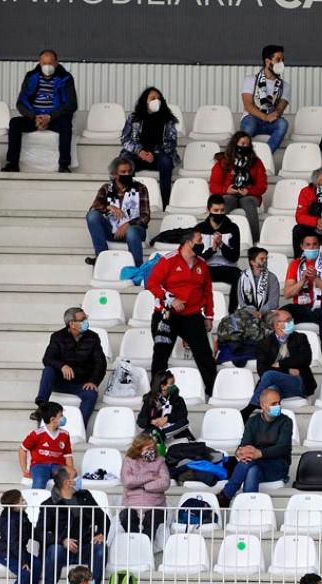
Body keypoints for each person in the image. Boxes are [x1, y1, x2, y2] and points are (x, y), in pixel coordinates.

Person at [147, 231, 217, 394]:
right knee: (161, 355)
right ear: (188, 242)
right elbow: (152, 284)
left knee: (204, 355)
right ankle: (156, 393)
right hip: (166, 315)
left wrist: (209, 315)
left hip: (192, 316)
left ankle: (213, 391)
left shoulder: (201, 264)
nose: (202, 244)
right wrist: (171, 300)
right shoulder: (168, 260)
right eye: (199, 240)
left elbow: (208, 291)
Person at [2, 49, 76, 173]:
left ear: (56, 63)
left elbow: (71, 104)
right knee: (15, 123)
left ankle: (64, 165)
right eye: (44, 63)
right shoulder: (31, 77)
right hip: (34, 117)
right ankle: (12, 164)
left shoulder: (66, 78)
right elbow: (21, 102)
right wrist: (34, 117)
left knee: (66, 124)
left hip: (55, 118)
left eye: (50, 63)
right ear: (39, 63)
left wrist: (50, 116)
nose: (47, 66)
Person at [39, 468, 108, 584]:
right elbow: (39, 532)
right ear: (67, 483)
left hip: (85, 547)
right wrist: (62, 541)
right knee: (55, 550)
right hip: (62, 552)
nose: (78, 479)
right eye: (75, 477)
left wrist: (101, 533)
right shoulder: (48, 505)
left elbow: (104, 519)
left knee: (100, 548)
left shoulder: (85, 497)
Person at [218, 388, 292, 506]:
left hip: (277, 466)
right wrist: (240, 452)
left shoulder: (285, 421)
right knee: (251, 468)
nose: (278, 406)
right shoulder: (253, 421)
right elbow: (244, 444)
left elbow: (283, 447)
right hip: (255, 463)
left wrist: (259, 453)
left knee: (249, 463)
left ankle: (226, 495)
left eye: (279, 403)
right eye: (274, 404)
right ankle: (250, 510)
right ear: (263, 405)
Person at [33, 306, 106, 425]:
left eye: (85, 318)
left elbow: (101, 363)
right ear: (71, 324)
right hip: (60, 381)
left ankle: (79, 426)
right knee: (48, 371)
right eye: (82, 319)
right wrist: (62, 366)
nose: (86, 321)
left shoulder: (93, 337)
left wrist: (93, 381)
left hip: (81, 383)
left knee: (91, 394)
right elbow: (47, 359)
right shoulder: (57, 337)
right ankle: (42, 407)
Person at [282, 232, 322, 361]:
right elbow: (287, 293)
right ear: (301, 246)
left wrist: (316, 279)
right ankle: (284, 354)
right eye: (308, 245)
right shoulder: (295, 264)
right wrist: (303, 281)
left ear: (319, 246)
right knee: (282, 313)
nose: (311, 248)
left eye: (314, 245)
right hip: (301, 308)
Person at [85, 156, 150, 267]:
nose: (127, 174)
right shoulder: (106, 188)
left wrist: (127, 225)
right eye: (123, 172)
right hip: (112, 229)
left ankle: (137, 268)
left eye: (129, 171)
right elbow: (94, 207)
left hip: (134, 230)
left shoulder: (140, 188)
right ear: (115, 174)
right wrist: (110, 207)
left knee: (131, 232)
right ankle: (101, 258)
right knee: (92, 216)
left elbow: (145, 216)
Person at [250, 309, 317, 413]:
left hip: (298, 383)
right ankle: (269, 423)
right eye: (288, 320)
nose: (292, 322)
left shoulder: (300, 338)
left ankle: (249, 408)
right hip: (278, 385)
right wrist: (288, 370)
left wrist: (281, 363)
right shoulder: (264, 343)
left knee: (270, 376)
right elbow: (262, 370)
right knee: (270, 390)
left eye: (291, 319)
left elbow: (305, 360)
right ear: (277, 325)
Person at [121, 87, 179, 204]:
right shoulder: (133, 118)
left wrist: (154, 153)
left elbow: (171, 142)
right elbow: (125, 139)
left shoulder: (168, 119)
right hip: (137, 155)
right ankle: (127, 201)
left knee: (166, 162)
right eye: (152, 98)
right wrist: (139, 151)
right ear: (145, 101)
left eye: (158, 98)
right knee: (124, 163)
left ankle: (165, 203)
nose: (156, 101)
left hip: (159, 156)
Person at [209, 132, 268, 242]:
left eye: (247, 144)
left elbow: (262, 186)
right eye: (242, 143)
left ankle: (255, 240)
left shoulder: (256, 162)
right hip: (229, 194)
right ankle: (216, 237)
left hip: (249, 195)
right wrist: (226, 190)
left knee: (248, 202)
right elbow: (213, 186)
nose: (245, 146)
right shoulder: (223, 161)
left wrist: (249, 191)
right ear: (235, 144)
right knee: (225, 201)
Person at [120, 434, 171, 543]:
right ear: (139, 448)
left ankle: (145, 546)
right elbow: (128, 481)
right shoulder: (128, 461)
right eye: (148, 448)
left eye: (153, 448)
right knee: (126, 517)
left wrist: (144, 486)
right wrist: (150, 477)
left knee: (152, 519)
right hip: (132, 505)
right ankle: (135, 545)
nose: (151, 450)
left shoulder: (160, 461)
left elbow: (165, 482)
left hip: (155, 506)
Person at [0, 490, 41, 584]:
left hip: (19, 552)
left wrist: (52, 537)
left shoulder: (22, 515)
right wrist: (23, 561)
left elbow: (33, 533)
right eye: (21, 500)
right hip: (7, 553)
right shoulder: (9, 520)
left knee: (37, 563)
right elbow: (14, 543)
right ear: (15, 504)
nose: (24, 502)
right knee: (25, 573)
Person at [240, 44, 289, 153]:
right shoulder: (250, 80)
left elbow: (280, 109)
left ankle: (263, 157)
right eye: (278, 60)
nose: (282, 63)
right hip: (252, 118)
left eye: (283, 60)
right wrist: (265, 117)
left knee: (282, 124)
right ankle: (244, 156)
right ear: (267, 61)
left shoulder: (285, 86)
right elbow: (248, 105)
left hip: (271, 121)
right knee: (249, 126)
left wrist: (272, 116)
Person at [21, 401, 76, 492]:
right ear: (53, 419)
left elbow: (68, 456)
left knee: (68, 479)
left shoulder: (65, 434)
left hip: (58, 466)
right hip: (39, 465)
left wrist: (71, 470)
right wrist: (24, 470)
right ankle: (37, 504)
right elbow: (23, 450)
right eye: (61, 416)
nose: (63, 418)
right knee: (39, 480)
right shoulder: (37, 434)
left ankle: (62, 504)